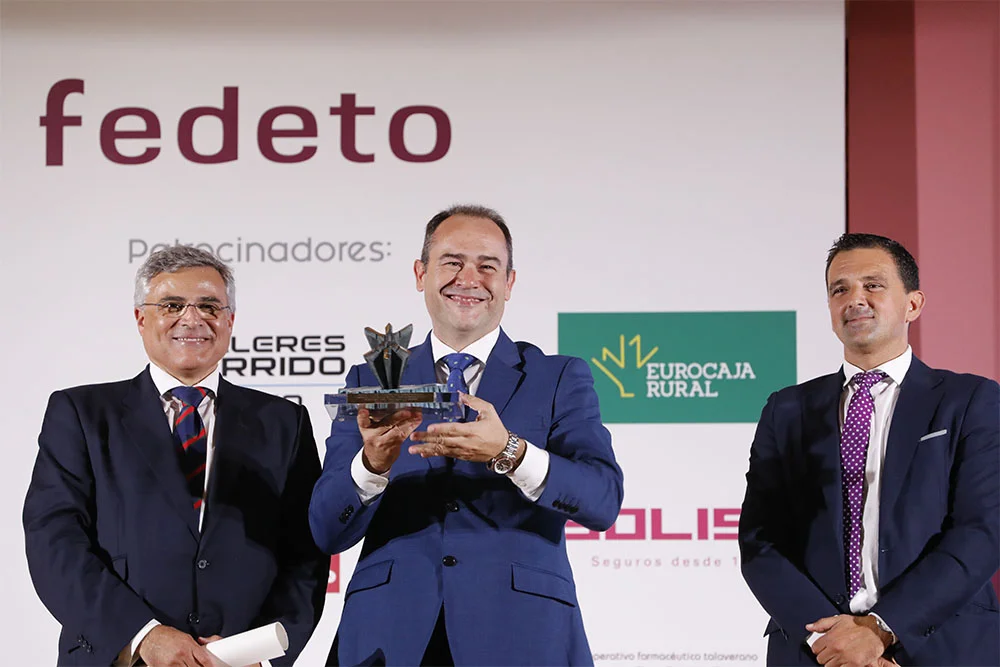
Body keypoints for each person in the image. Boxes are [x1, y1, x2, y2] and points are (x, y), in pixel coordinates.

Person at [309, 204, 624, 666]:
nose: (469, 279)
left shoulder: (558, 377)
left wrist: (510, 452)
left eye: (488, 266)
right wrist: (371, 467)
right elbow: (324, 529)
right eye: (452, 262)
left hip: (520, 634)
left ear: (509, 283)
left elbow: (602, 500)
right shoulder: (372, 380)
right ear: (421, 274)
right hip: (390, 636)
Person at [23, 246, 327, 666]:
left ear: (230, 321)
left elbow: (306, 555)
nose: (192, 318)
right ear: (140, 318)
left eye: (209, 306)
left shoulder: (283, 422)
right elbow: (54, 542)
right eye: (172, 305)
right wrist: (144, 635)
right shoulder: (82, 414)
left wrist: (259, 653)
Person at [739, 233, 999, 666]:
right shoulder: (786, 410)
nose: (855, 299)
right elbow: (760, 540)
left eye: (873, 285)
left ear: (913, 304)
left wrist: (881, 628)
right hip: (817, 651)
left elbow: (982, 531)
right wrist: (835, 643)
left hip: (943, 645)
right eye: (839, 289)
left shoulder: (971, 400)